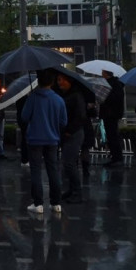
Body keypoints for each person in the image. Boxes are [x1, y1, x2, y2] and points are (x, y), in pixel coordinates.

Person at [21, 70, 67, 215]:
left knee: (35, 171)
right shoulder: (59, 100)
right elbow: (63, 121)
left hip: (34, 139)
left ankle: (38, 203)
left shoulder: (33, 98)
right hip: (52, 140)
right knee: (53, 170)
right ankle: (56, 203)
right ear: (52, 82)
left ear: (38, 82)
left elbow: (24, 117)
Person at [55, 73, 86, 204]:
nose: (59, 83)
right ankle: (71, 190)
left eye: (61, 80)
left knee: (69, 163)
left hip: (73, 133)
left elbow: (80, 117)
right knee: (67, 163)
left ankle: (77, 192)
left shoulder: (76, 96)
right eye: (58, 80)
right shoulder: (66, 95)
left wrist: (69, 131)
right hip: (68, 133)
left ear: (69, 81)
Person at [100, 69, 126, 167]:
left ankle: (116, 157)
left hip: (110, 114)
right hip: (112, 114)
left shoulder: (112, 85)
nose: (101, 74)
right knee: (112, 135)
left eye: (102, 72)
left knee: (112, 135)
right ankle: (115, 156)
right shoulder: (116, 84)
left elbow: (111, 99)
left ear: (106, 73)